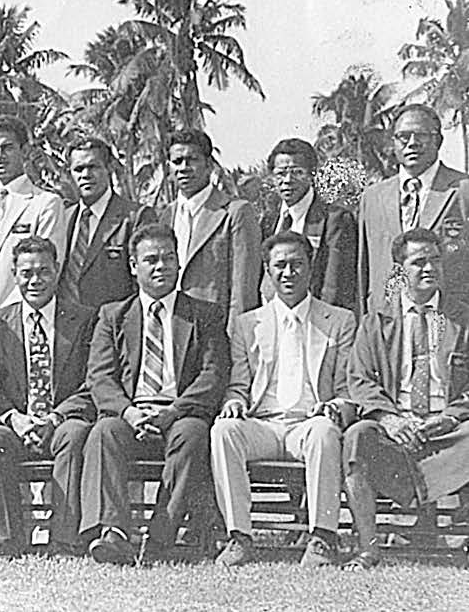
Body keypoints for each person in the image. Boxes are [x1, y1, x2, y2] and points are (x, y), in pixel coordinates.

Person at [83, 223, 229, 566]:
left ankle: (160, 537)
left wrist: (174, 411)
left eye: (168, 258)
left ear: (179, 263)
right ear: (134, 267)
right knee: (103, 432)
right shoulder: (113, 316)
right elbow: (100, 378)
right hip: (130, 415)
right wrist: (129, 413)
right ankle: (115, 533)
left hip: (180, 415)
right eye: (151, 259)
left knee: (193, 433)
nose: (161, 266)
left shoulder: (204, 314)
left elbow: (213, 376)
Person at [210, 231, 355, 568]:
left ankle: (322, 538)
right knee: (223, 431)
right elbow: (238, 384)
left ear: (311, 267)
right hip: (263, 424)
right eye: (280, 266)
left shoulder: (339, 321)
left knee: (323, 431)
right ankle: (239, 537)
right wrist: (233, 401)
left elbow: (349, 388)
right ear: (267, 269)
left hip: (309, 424)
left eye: (297, 265)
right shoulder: (248, 325)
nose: (289, 273)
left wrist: (335, 406)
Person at [341, 227, 469, 570]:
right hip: (396, 426)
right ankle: (368, 548)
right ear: (400, 271)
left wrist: (453, 415)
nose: (429, 268)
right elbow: (360, 379)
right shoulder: (376, 322)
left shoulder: (464, 318)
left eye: (436, 261)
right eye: (419, 262)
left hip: (450, 429)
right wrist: (389, 418)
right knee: (356, 438)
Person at [0, 237, 97, 555]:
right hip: (15, 423)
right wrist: (14, 418)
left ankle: (63, 540)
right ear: (14, 275)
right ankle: (9, 542)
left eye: (44, 271)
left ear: (57, 271)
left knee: (75, 435)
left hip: (61, 421)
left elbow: (92, 382)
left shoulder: (84, 320)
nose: (35, 280)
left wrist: (55, 417)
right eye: (26, 272)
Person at [357, 105, 469, 311]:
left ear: (438, 140)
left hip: (452, 322)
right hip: (387, 320)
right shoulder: (372, 197)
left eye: (421, 135)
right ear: (393, 142)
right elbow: (363, 271)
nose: (412, 143)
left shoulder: (463, 190)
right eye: (403, 136)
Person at [161, 129, 262, 318]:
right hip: (171, 325)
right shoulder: (165, 216)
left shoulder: (236, 212)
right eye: (177, 162)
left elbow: (244, 289)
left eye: (192, 160)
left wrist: (236, 336)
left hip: (215, 328)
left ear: (208, 165)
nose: (184, 167)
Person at [0, 116, 68, 313]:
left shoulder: (45, 203)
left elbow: (44, 268)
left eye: (7, 147)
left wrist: (10, 314)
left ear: (24, 151)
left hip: (24, 316)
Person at [260, 137, 358, 311]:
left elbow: (335, 288)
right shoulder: (268, 220)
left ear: (313, 175)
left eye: (297, 172)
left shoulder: (335, 219)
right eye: (281, 174)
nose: (288, 180)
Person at [60, 137, 155, 311]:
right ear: (70, 173)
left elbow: (145, 282)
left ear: (109, 168)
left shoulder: (135, 218)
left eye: (93, 167)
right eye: (79, 169)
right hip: (67, 327)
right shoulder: (62, 218)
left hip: (114, 327)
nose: (86, 175)